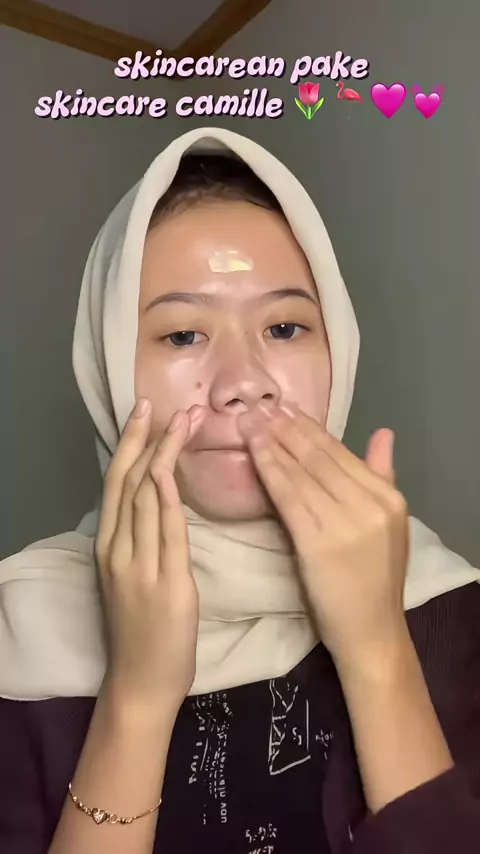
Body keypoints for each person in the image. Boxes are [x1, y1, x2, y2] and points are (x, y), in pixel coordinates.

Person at [0, 127, 479, 854]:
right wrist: (135, 698)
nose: (244, 383)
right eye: (182, 336)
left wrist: (378, 645)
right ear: (107, 367)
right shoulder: (22, 634)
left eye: (284, 327)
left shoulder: (444, 602)